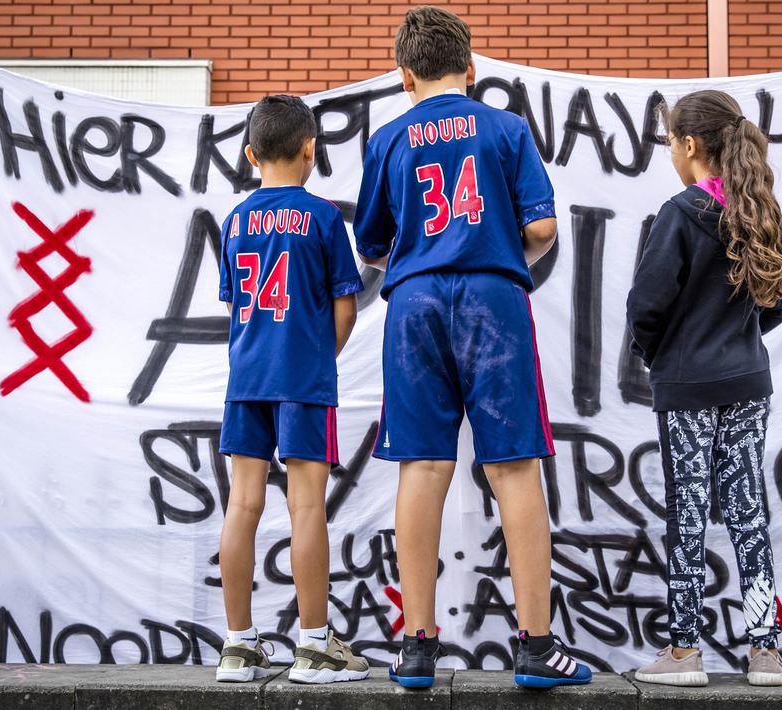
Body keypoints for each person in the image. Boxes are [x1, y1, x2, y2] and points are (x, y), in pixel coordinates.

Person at [353, 5, 591, 691]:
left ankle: (418, 646)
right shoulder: (506, 126)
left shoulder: (389, 139)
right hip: (493, 297)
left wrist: (423, 250)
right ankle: (536, 647)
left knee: (422, 467)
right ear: (471, 66)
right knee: (513, 467)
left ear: (405, 75)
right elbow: (542, 227)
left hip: (415, 302)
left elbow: (370, 246)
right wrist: (495, 252)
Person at [626, 90, 782, 688]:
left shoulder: (679, 213)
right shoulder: (762, 211)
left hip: (687, 386)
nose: (671, 153)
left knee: (689, 514)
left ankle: (683, 653)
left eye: (671, 142)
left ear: (691, 145)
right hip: (749, 382)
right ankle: (765, 652)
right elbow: (780, 298)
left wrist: (663, 357)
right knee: (750, 512)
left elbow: (645, 305)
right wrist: (743, 336)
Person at [214, 95, 369, 684]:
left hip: (245, 380)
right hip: (303, 378)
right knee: (306, 507)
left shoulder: (234, 221)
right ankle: (313, 645)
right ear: (312, 149)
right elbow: (345, 309)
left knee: (242, 505)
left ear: (251, 154)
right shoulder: (325, 217)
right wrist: (315, 358)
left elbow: (237, 307)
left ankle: (238, 645)